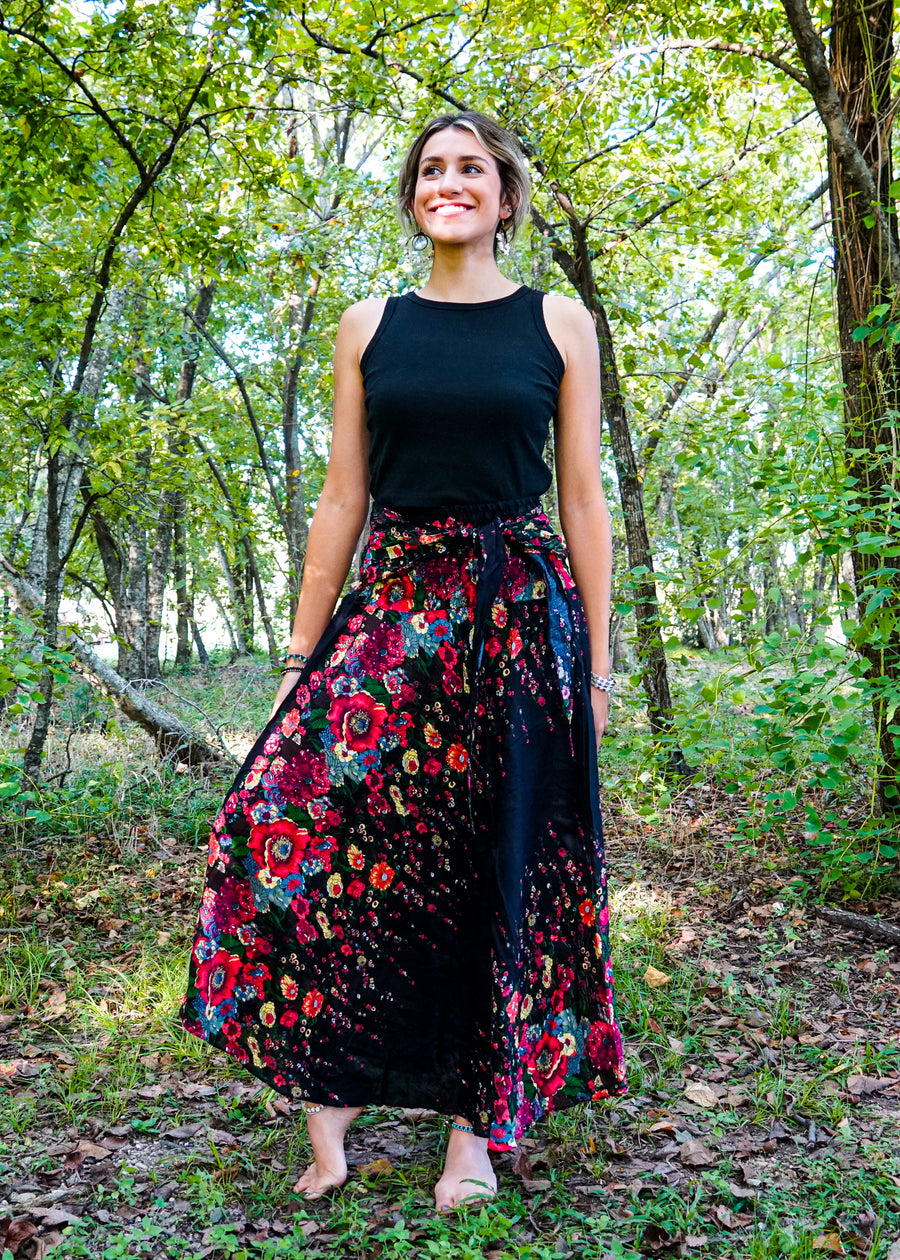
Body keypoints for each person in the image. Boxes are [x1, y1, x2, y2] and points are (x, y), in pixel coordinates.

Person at [180, 110, 627, 1214]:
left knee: (496, 863)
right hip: (394, 614)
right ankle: (329, 1115)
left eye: (472, 168)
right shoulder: (369, 326)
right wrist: (298, 653)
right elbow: (344, 496)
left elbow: (580, 501)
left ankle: (473, 1139)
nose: (450, 182)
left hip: (521, 621)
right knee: (291, 823)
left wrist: (601, 670)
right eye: (432, 169)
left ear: (506, 198)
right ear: (412, 196)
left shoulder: (560, 324)